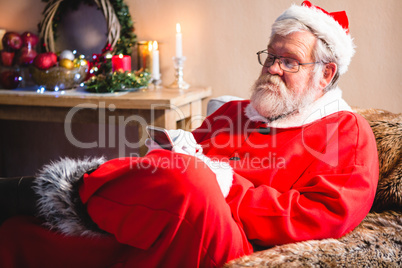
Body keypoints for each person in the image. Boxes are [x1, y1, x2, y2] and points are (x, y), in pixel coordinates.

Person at [0, 1, 378, 267]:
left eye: (290, 60)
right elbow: (172, 171)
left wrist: (224, 184)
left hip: (244, 249)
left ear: (325, 75)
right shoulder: (235, 113)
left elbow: (322, 218)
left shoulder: (346, 131)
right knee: (19, 236)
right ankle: (37, 201)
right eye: (271, 56)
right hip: (177, 227)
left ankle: (44, 189)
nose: (273, 68)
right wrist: (173, 153)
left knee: (194, 179)